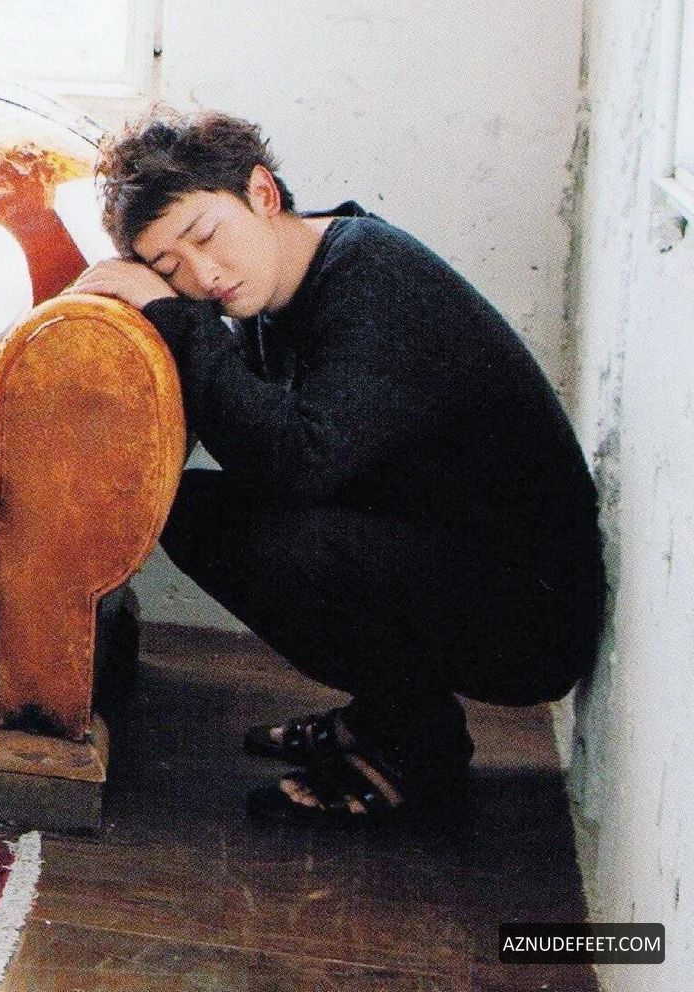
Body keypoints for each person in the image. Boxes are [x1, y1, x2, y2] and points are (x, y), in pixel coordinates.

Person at [69, 109, 606, 827]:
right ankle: (385, 711)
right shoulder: (279, 291)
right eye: (169, 268)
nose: (203, 274)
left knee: (283, 543)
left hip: (531, 612)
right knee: (195, 509)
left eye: (206, 235)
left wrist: (178, 318)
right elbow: (264, 447)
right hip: (449, 555)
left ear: (262, 193)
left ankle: (419, 753)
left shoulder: (370, 273)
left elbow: (299, 465)